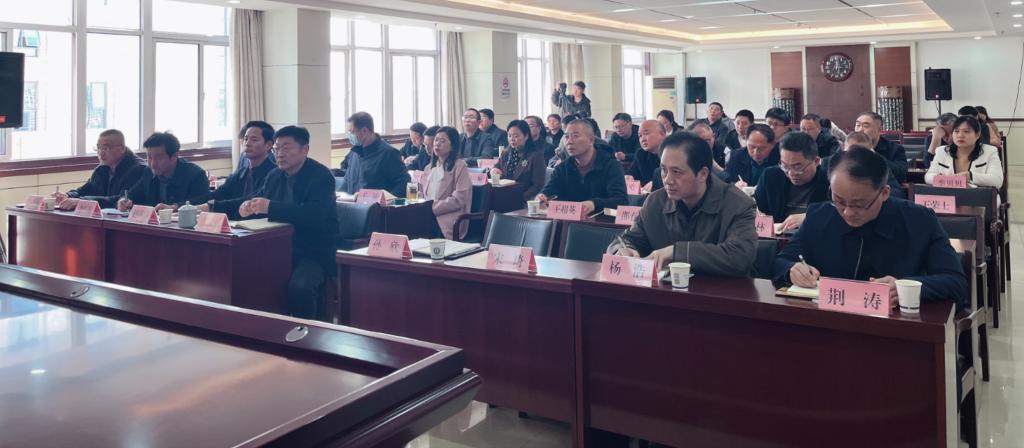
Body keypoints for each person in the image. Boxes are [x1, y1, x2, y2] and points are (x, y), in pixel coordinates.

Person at [773, 147, 968, 310]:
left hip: (895, 329)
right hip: (829, 322)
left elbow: (956, 283)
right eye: (839, 201)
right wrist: (792, 270)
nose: (848, 212)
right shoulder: (819, 216)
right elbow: (782, 261)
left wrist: (904, 288)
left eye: (859, 204)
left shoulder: (919, 220)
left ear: (884, 193)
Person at [607, 132, 757, 277]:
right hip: (665, 291)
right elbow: (629, 239)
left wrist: (677, 252)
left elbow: (740, 257)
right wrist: (623, 250)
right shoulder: (655, 201)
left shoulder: (738, 204)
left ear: (703, 174)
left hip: (720, 291)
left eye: (676, 172)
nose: (667, 180)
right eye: (664, 170)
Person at [238, 126, 338, 320]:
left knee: (300, 287)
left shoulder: (321, 177)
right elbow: (259, 199)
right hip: (279, 249)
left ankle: (307, 332)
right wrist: (248, 206)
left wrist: (270, 207)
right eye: (277, 149)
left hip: (314, 252)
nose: (279, 154)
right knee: (250, 278)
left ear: (304, 149)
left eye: (286, 148)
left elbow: (313, 214)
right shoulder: (274, 175)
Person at [537, 120, 627, 215]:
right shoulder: (562, 168)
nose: (569, 142)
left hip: (601, 221)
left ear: (591, 140)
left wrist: (594, 204)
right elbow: (549, 190)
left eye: (575, 136)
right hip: (568, 220)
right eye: (566, 137)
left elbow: (621, 200)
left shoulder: (611, 165)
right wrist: (542, 197)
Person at [196, 121, 277, 219]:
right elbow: (218, 194)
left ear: (268, 145)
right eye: (245, 139)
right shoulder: (240, 173)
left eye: (254, 140)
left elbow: (249, 201)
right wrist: (185, 205)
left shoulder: (274, 174)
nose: (247, 143)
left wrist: (211, 206)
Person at [55, 129, 147, 210]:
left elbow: (121, 200)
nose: (101, 153)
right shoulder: (102, 168)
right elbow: (84, 190)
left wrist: (82, 202)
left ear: (122, 149)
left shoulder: (138, 169)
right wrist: (68, 195)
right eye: (99, 148)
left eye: (106, 148)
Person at [754, 132, 829, 231]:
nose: (791, 173)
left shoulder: (829, 181)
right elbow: (758, 209)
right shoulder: (770, 177)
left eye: (798, 167)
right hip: (775, 237)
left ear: (816, 161)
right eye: (785, 166)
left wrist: (810, 217)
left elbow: (838, 213)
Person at [117, 132, 208, 212]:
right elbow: (131, 195)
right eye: (149, 157)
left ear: (174, 156)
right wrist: (123, 201)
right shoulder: (148, 172)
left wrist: (173, 208)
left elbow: (202, 205)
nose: (153, 164)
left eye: (158, 158)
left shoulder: (196, 175)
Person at [339, 112, 410, 198]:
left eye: (352, 132)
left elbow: (403, 183)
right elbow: (347, 180)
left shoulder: (388, 153)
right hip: (352, 204)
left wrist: (384, 199)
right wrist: (338, 196)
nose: (350, 136)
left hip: (376, 205)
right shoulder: (354, 152)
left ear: (364, 131)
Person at [420, 126, 472, 240]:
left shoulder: (459, 166)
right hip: (427, 215)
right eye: (436, 140)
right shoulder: (428, 168)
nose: (437, 144)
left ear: (452, 146)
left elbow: (459, 199)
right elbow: (422, 195)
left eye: (442, 141)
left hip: (448, 218)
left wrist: (432, 208)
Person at [925, 116, 1004, 188]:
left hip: (979, 196)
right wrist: (948, 180)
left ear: (977, 134)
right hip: (949, 196)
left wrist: (969, 176)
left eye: (966, 131)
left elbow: (997, 181)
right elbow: (928, 177)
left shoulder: (990, 151)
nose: (960, 135)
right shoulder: (942, 151)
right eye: (956, 131)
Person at [494, 120, 546, 201]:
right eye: (509, 136)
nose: (512, 139)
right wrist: (493, 170)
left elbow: (537, 185)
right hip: (503, 194)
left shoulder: (535, 156)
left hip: (522, 198)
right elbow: (496, 167)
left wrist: (519, 197)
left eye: (516, 136)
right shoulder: (505, 153)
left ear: (526, 136)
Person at [854, 111, 908, 183]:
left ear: (879, 130)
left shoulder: (895, 149)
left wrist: (874, 155)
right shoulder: (850, 147)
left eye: (865, 126)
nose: (860, 130)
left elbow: (901, 175)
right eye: (858, 125)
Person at [628, 120, 667, 189]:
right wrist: (628, 177)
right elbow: (632, 173)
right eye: (640, 136)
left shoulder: (673, 154)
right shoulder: (641, 154)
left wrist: (657, 182)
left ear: (662, 134)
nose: (642, 139)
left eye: (646, 134)